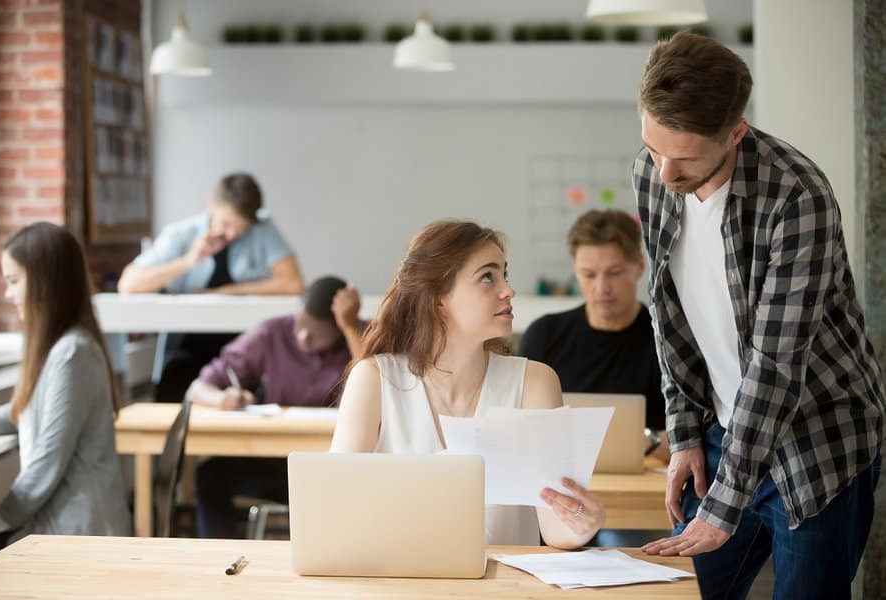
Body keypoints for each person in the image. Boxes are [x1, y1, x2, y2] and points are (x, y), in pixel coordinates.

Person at [633, 32, 884, 599]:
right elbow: (669, 316)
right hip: (725, 432)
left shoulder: (797, 197)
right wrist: (685, 436)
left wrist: (724, 505)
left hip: (818, 437)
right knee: (682, 592)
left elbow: (775, 362)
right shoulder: (652, 175)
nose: (665, 173)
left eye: (685, 157)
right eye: (653, 147)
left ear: (735, 133)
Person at [330, 220, 605, 549]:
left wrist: (582, 522)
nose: (508, 290)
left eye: (505, 274)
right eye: (488, 277)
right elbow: (336, 512)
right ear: (438, 300)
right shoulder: (373, 379)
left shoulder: (535, 382)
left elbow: (554, 528)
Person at [0, 223, 131, 557]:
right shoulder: (59, 349)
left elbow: (46, 463)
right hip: (62, 527)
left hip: (80, 534)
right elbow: (22, 412)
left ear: (44, 283)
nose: (7, 294)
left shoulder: (72, 354)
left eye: (14, 281)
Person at [188, 276, 365, 538]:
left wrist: (351, 327)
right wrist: (222, 398)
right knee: (211, 475)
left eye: (316, 334)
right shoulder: (272, 333)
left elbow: (378, 382)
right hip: (273, 461)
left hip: (330, 467)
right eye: (300, 327)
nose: (303, 339)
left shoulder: (360, 338)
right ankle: (222, 556)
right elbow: (198, 387)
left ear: (338, 327)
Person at [117, 172, 305, 403]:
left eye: (240, 229)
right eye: (226, 224)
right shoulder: (181, 234)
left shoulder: (262, 228)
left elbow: (293, 283)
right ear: (211, 205)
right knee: (175, 383)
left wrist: (226, 292)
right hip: (185, 343)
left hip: (239, 347)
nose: (232, 234)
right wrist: (188, 261)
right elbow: (129, 284)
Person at [518, 210, 668, 460]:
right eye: (589, 275)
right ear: (576, 272)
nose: (602, 288)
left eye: (614, 272)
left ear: (640, 266)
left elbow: (695, 435)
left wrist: (646, 442)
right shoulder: (544, 335)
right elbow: (517, 426)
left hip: (646, 484)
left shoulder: (667, 340)